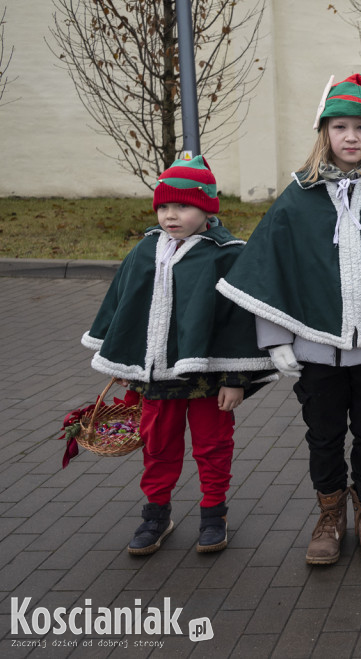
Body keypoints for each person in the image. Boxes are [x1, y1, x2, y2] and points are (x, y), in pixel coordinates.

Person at [217, 74, 361, 565]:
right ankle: (330, 514)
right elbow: (269, 271)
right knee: (324, 434)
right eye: (340, 127)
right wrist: (276, 340)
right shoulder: (297, 199)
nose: (350, 137)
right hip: (314, 349)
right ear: (324, 133)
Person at [82, 155, 275, 556]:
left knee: (212, 445)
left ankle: (213, 513)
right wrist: (123, 362)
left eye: (183, 206)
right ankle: (156, 514)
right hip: (156, 379)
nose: (171, 215)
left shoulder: (225, 254)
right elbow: (123, 305)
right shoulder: (145, 251)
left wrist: (237, 380)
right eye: (164, 206)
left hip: (208, 378)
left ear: (207, 207)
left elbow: (241, 319)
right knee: (157, 446)